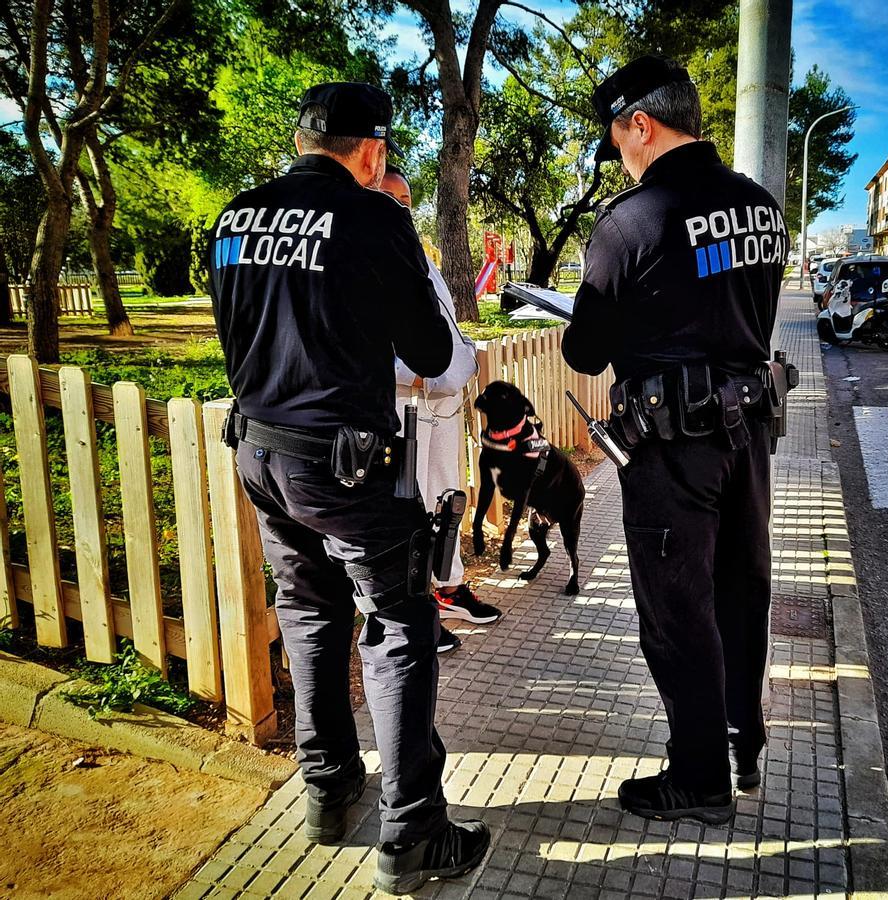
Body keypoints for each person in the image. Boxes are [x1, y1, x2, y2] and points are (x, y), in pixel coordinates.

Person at [207, 82, 489, 895]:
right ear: (372, 151)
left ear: (301, 140)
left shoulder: (234, 218)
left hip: (259, 452)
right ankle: (413, 834)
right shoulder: (375, 216)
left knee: (308, 615)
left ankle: (327, 794)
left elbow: (242, 332)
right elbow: (433, 351)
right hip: (346, 463)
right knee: (399, 627)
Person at [562, 56, 790, 824]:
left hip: (671, 450)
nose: (620, 158)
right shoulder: (760, 206)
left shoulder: (631, 222)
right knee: (740, 589)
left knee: (677, 609)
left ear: (641, 124)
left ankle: (698, 778)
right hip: (749, 435)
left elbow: (585, 352)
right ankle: (742, 740)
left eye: (619, 141)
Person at [377, 166, 502, 654]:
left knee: (447, 499)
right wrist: (417, 376)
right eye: (389, 198)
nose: (401, 208)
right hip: (405, 402)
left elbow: (444, 319)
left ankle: (448, 587)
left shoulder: (417, 256)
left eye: (407, 199)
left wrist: (463, 356)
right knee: (412, 506)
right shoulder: (364, 255)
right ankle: (418, 605)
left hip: (445, 402)